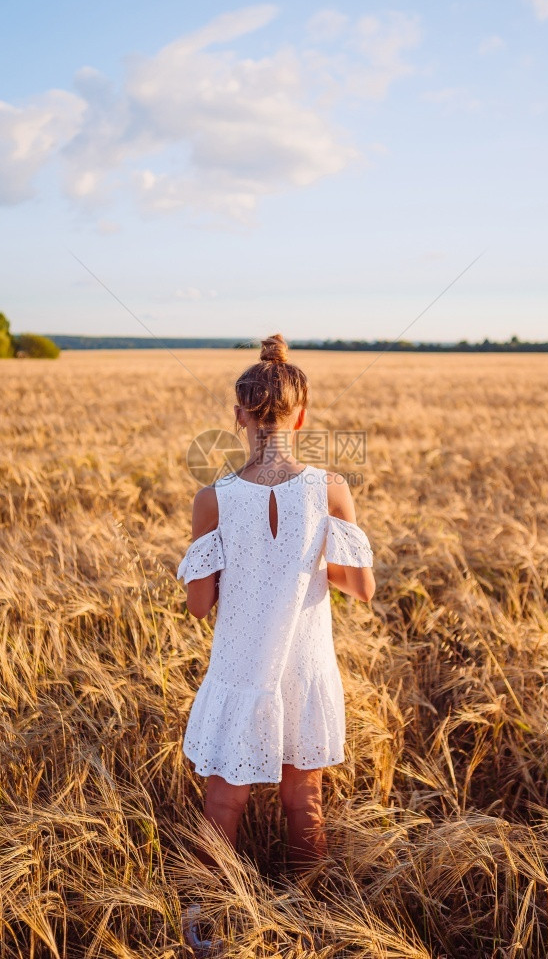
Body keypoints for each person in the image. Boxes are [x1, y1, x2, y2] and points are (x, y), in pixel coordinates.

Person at [178, 333, 375, 951]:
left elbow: (200, 604)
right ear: (302, 413)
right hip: (305, 666)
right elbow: (360, 588)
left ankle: (205, 922)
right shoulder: (331, 488)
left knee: (223, 801)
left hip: (241, 666)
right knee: (304, 800)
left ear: (238, 415)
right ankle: (309, 918)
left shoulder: (212, 499)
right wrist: (312, 559)